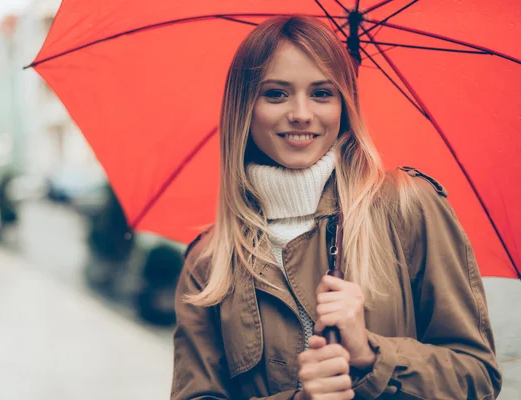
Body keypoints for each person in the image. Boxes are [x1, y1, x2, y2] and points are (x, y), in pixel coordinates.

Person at [171, 15, 501, 400]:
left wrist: (370, 356)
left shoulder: (408, 206)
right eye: (276, 93)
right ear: (244, 107)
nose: (301, 113)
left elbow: (477, 378)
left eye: (322, 93)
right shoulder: (209, 263)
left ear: (345, 103)